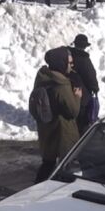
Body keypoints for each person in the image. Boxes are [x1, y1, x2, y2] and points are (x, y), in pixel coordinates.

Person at [32, 47, 82, 182]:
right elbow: (73, 111)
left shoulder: (43, 77)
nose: (72, 65)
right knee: (67, 166)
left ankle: (37, 191)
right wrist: (77, 96)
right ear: (61, 63)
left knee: (48, 163)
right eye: (69, 63)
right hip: (63, 132)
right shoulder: (62, 85)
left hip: (46, 129)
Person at [69, 34, 100, 134]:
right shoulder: (84, 59)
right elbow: (90, 75)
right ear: (85, 46)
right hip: (81, 94)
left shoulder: (69, 56)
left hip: (67, 90)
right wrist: (95, 87)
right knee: (82, 119)